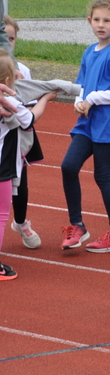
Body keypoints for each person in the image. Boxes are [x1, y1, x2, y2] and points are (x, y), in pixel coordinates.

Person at [61, 0, 110, 253]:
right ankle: (77, 225)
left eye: (107, 20)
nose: (101, 25)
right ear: (89, 21)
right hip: (87, 122)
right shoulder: (89, 51)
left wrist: (93, 98)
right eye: (97, 20)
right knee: (68, 166)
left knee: (102, 176)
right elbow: (83, 84)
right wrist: (80, 101)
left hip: (108, 124)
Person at [0, 52, 56, 280]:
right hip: (2, 164)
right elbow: (31, 119)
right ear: (7, 82)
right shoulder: (9, 100)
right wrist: (46, 98)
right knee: (2, 214)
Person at [5, 15, 43, 248]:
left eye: (12, 38)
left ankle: (20, 222)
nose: (8, 43)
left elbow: (28, 106)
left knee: (20, 182)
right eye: (4, 38)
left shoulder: (23, 71)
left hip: (18, 136)